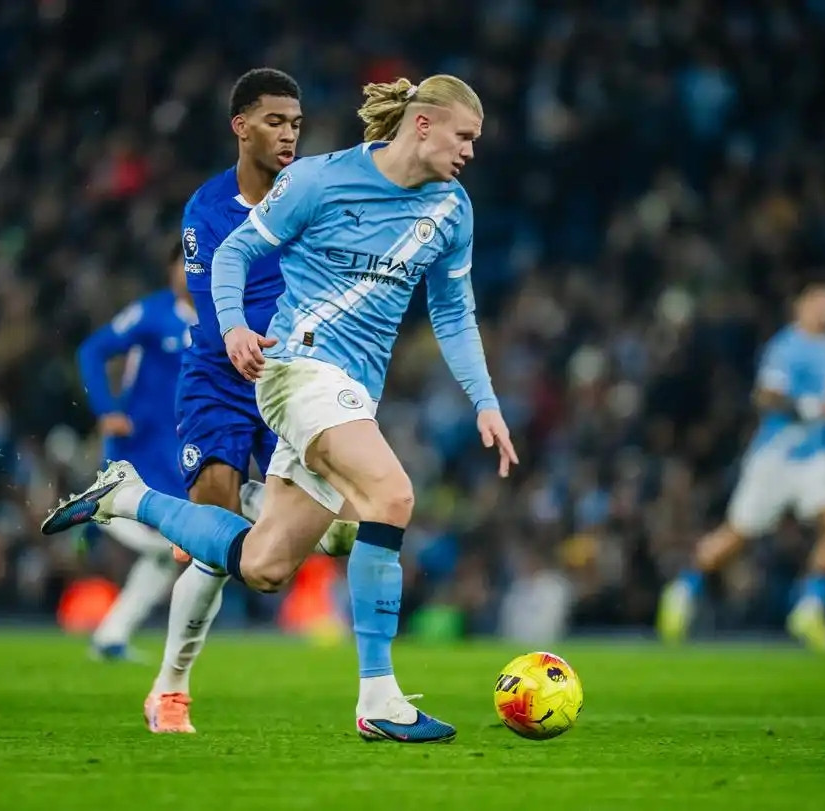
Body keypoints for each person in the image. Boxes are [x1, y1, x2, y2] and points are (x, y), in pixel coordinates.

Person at [43, 74, 518, 743]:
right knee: (392, 495)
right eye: (464, 136)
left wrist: (485, 401)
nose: (470, 151)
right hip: (292, 371)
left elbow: (453, 312)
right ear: (422, 125)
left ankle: (128, 497)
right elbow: (235, 251)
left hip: (351, 390)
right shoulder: (319, 180)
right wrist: (235, 325)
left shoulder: (451, 210)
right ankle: (376, 698)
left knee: (265, 565)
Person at [76, 67, 357, 735]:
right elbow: (209, 304)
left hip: (292, 381)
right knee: (216, 533)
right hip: (221, 377)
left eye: (295, 124)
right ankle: (170, 690)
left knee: (337, 535)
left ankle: (179, 500)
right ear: (241, 126)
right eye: (274, 121)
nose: (288, 134)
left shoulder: (313, 198)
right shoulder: (207, 209)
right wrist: (243, 334)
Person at [657, 284, 825, 651]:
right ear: (801, 306)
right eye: (821, 303)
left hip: (815, 456)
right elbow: (765, 396)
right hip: (776, 457)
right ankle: (682, 590)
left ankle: (810, 609)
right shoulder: (787, 346)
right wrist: (815, 408)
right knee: (737, 536)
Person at [75, 245, 195, 663]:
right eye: (182, 262)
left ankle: (111, 637)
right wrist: (106, 409)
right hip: (139, 450)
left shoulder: (222, 320)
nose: (189, 270)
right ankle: (90, 514)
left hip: (180, 457)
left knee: (168, 553)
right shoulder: (151, 313)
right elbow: (92, 350)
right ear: (170, 269)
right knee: (167, 545)